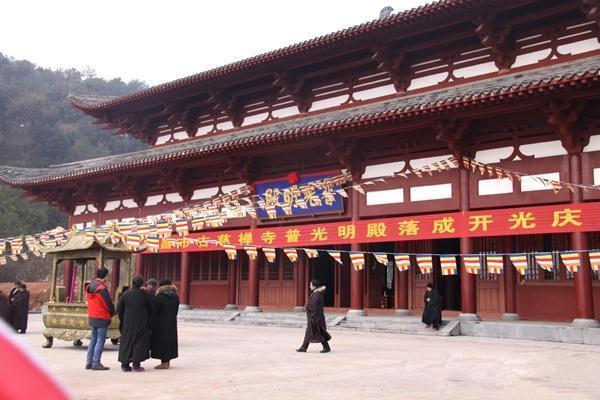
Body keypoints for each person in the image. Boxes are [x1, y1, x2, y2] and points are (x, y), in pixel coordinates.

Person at [117, 275, 152, 372]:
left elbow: (119, 309)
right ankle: (136, 365)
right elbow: (152, 307)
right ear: (141, 284)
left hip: (128, 322)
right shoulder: (144, 295)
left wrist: (123, 319)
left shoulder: (126, 294)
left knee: (126, 342)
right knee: (139, 342)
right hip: (141, 321)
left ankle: (125, 365)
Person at [85, 266, 115, 371]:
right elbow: (108, 303)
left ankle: (89, 362)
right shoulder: (101, 289)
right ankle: (96, 362)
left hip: (92, 315)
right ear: (106, 275)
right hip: (102, 316)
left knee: (93, 339)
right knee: (100, 340)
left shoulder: (89, 286)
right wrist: (112, 312)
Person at [150, 278, 179, 369]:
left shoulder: (160, 297)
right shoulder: (175, 296)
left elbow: (154, 310)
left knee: (162, 342)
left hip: (161, 323)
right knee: (169, 341)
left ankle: (164, 363)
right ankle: (167, 361)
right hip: (172, 322)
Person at [296, 279, 331, 353]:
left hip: (315, 317)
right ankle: (304, 347)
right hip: (316, 316)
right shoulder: (317, 293)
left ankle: (304, 347)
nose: (310, 286)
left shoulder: (316, 294)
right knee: (313, 332)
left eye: (310, 285)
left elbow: (313, 306)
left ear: (314, 286)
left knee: (315, 331)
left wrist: (307, 307)